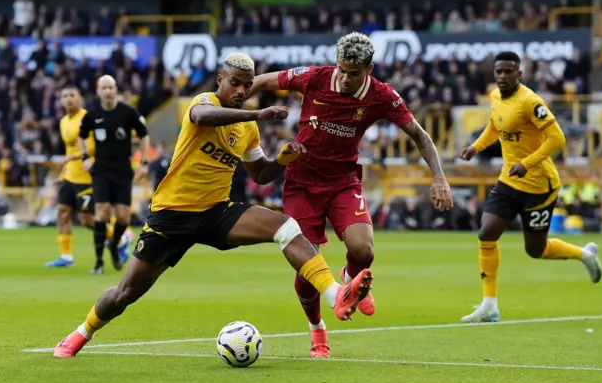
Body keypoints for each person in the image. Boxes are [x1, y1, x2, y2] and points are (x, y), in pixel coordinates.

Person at [52, 53, 374, 358]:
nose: (241, 89)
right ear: (220, 79)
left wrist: (282, 160)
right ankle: (82, 332)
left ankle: (336, 295)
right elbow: (204, 117)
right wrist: (258, 113)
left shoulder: (247, 129)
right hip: (172, 216)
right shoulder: (204, 102)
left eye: (248, 85)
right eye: (235, 82)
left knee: (285, 227)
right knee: (125, 294)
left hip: (217, 212)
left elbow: (260, 174)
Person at [250, 32, 454, 358]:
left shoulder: (382, 95)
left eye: (353, 73)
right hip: (302, 183)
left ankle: (349, 278)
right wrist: (231, 98)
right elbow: (263, 80)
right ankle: (317, 329)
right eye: (341, 69)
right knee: (307, 264)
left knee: (364, 248)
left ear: (369, 69)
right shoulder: (314, 77)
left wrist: (440, 177)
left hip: (343, 181)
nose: (344, 78)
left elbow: (418, 133)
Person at [458, 51, 602, 323]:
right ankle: (489, 305)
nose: (502, 76)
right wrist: (476, 146)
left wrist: (527, 162)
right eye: (498, 72)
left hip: (539, 185)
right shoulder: (495, 97)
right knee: (487, 233)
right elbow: (494, 126)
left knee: (535, 250)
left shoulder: (531, 101)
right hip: (509, 180)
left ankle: (584, 254)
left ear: (519, 74)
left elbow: (557, 138)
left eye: (508, 71)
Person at [45, 86, 129, 268]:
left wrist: (70, 158)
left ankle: (121, 238)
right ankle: (66, 256)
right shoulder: (64, 121)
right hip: (70, 176)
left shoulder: (87, 119)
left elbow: (92, 148)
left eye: (72, 95)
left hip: (87, 177)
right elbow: (70, 148)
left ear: (80, 98)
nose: (68, 99)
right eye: (64, 96)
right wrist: (63, 173)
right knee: (63, 212)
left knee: (87, 219)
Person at [79, 75, 150, 275]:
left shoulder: (128, 112)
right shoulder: (92, 115)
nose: (108, 91)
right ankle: (99, 262)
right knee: (101, 213)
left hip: (122, 170)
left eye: (111, 87)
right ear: (98, 91)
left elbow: (144, 135)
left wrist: (143, 163)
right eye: (104, 87)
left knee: (123, 217)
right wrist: (85, 156)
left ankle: (113, 243)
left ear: (115, 89)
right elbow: (81, 136)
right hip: (101, 169)